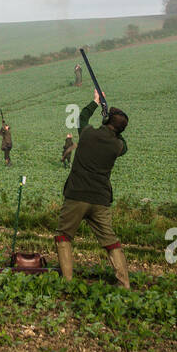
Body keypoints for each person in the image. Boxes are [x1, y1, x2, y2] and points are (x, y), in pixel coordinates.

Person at [55, 88, 130, 287]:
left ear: (106, 121)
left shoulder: (87, 134)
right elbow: (123, 142)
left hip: (77, 195)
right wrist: (113, 125)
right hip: (101, 199)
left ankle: (68, 282)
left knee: (64, 236)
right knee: (111, 242)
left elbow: (81, 118)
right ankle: (124, 284)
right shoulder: (118, 146)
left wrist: (96, 103)